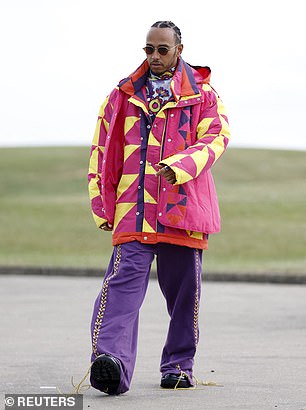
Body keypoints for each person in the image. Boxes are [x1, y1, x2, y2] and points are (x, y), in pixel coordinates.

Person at [87, 20, 230, 395]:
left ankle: (179, 366)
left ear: (178, 50)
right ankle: (111, 365)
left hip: (183, 212)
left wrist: (181, 166)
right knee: (119, 290)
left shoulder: (203, 95)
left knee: (184, 296)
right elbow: (102, 149)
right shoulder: (122, 95)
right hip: (133, 211)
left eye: (161, 50)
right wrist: (102, 203)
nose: (154, 56)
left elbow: (218, 136)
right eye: (148, 49)